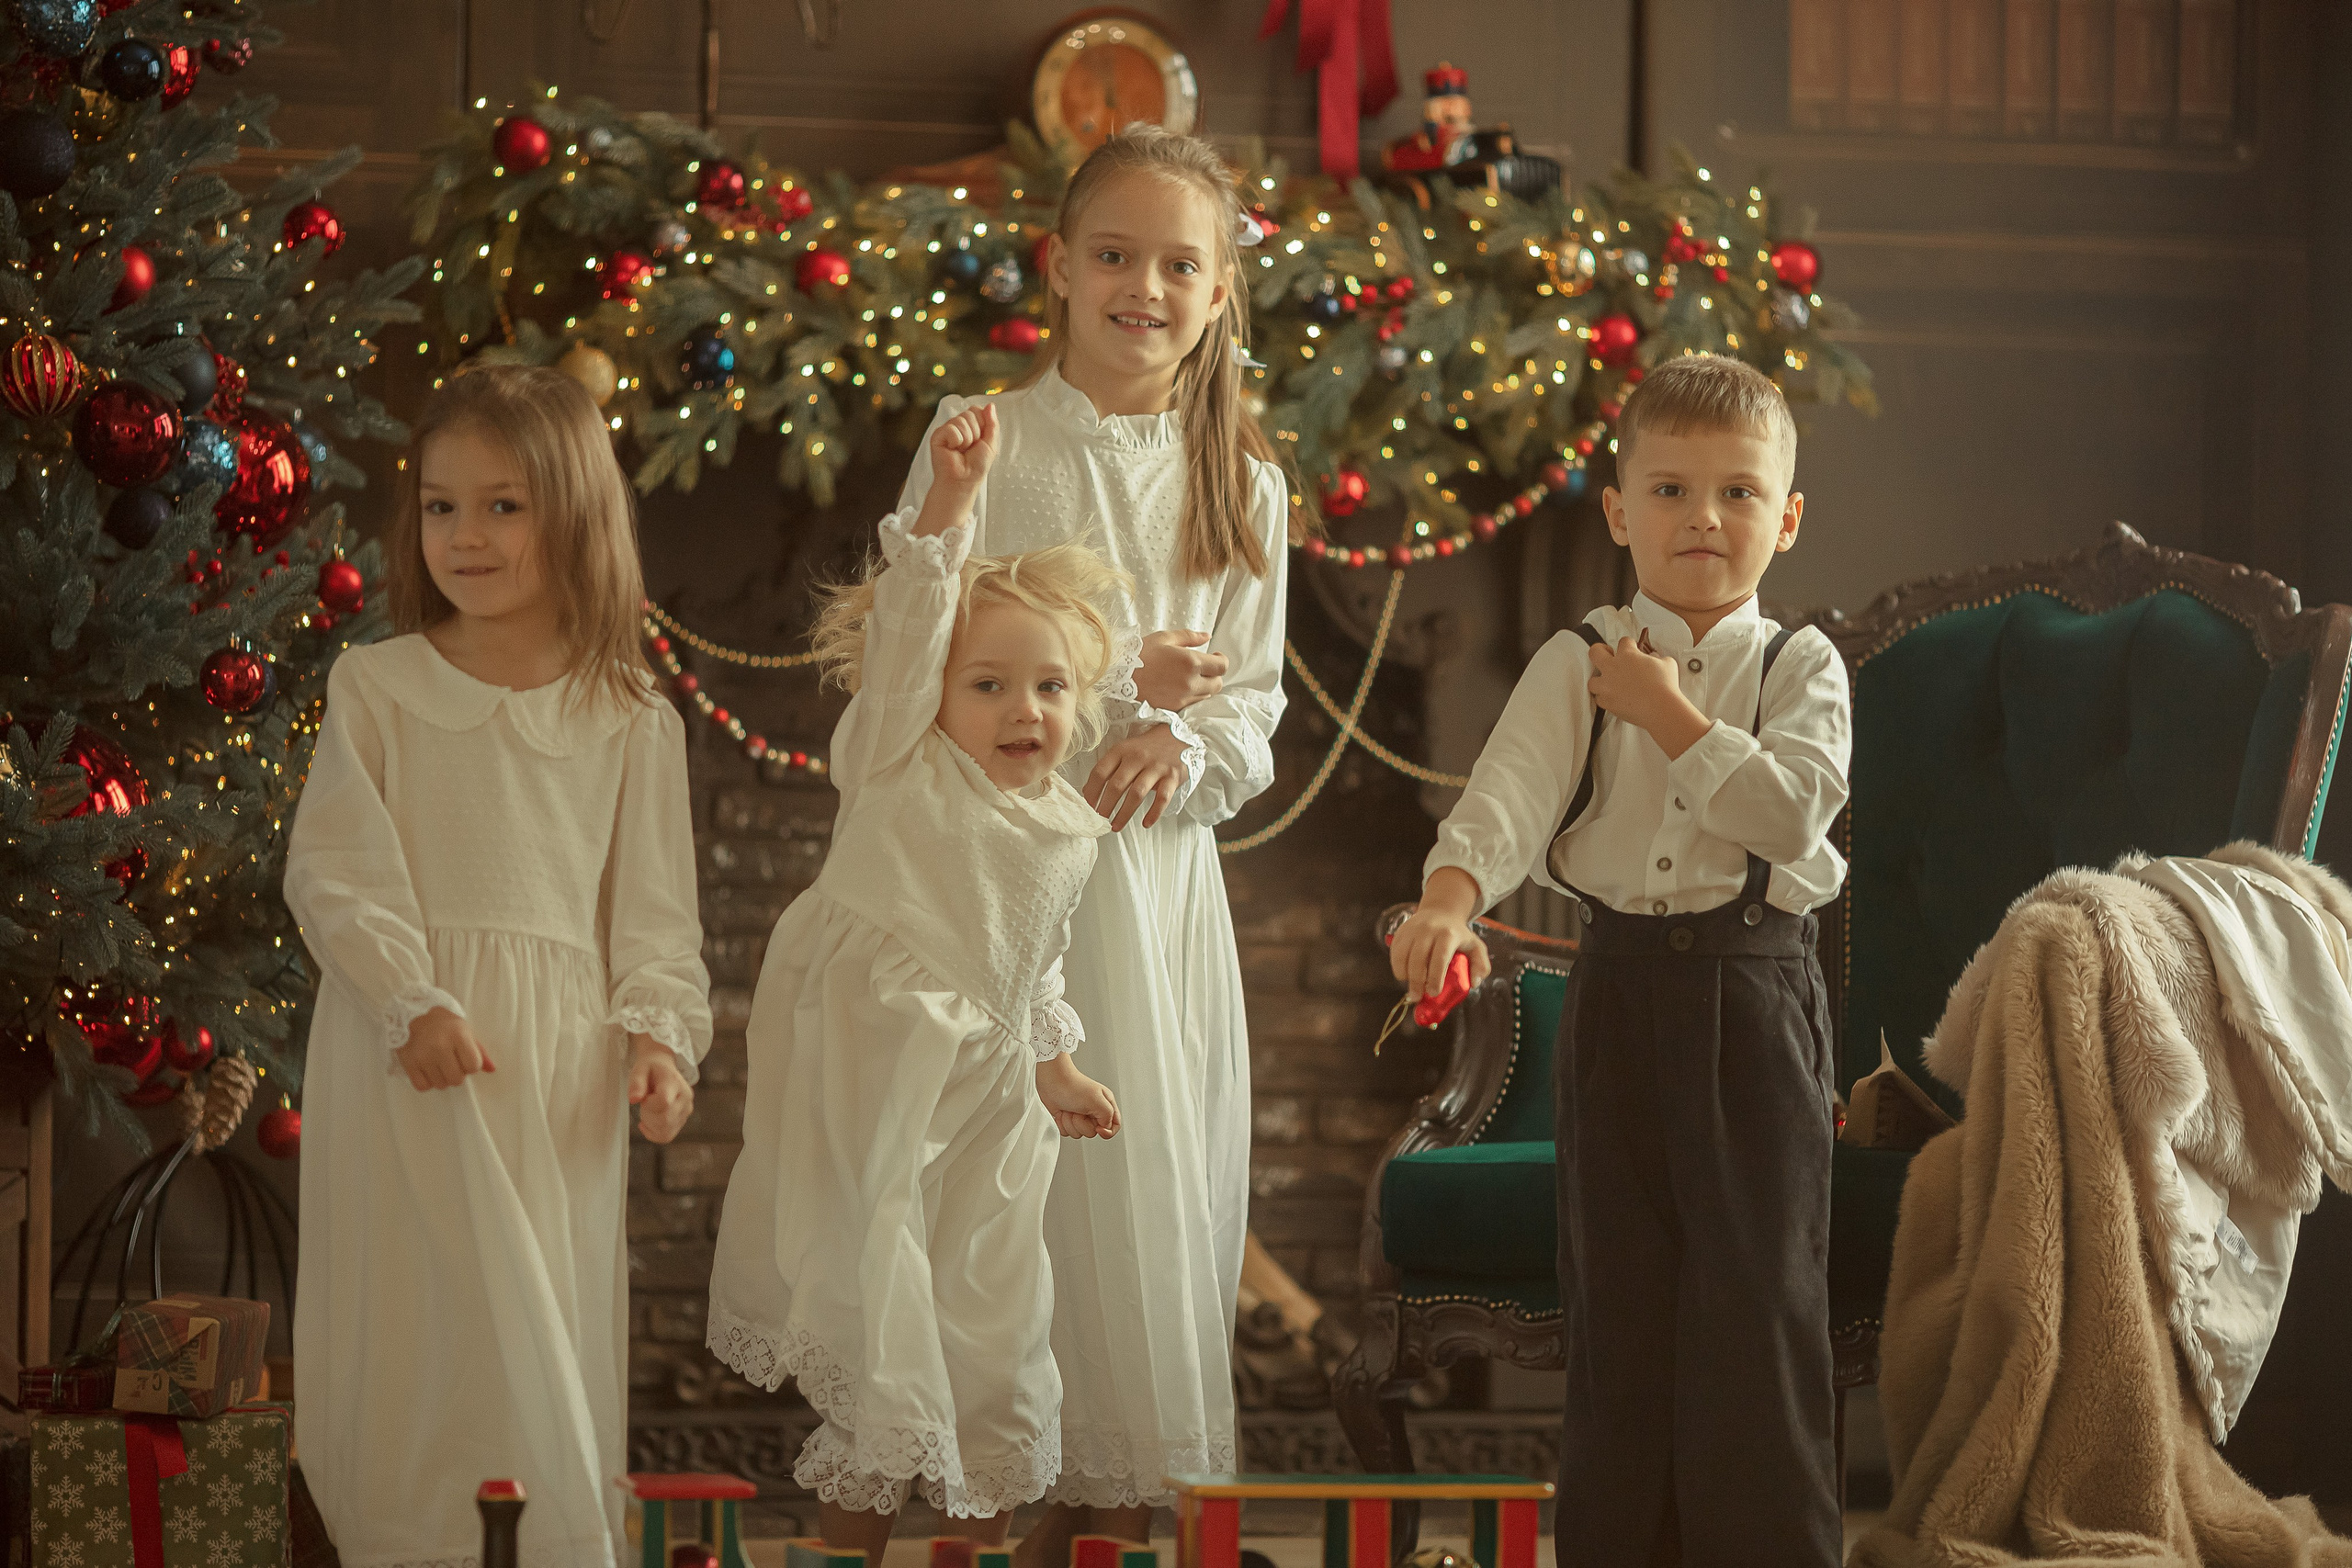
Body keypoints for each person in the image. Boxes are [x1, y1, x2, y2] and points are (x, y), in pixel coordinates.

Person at [892, 124, 1291, 1557]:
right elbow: (913, 649)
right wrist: (1086, 711)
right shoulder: (985, 437)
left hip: (1150, 890)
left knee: (1137, 1209)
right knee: (1001, 1207)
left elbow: (1252, 703)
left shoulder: (1243, 480)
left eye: (1180, 263)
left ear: (1221, 288)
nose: (1144, 286)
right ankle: (986, 1507)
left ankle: (1120, 1518)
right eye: (1114, 255)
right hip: (1007, 886)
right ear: (1058, 267)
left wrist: (1173, 739)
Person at [1389, 354, 1851, 1567]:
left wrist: (1675, 717)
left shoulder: (1802, 663)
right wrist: (1448, 902)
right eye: (1672, 489)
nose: (1705, 517)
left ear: (1788, 518)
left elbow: (1793, 816)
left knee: (1756, 1298)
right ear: (1618, 508)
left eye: (1740, 493)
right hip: (1619, 993)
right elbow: (1505, 799)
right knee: (1624, 1301)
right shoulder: (1578, 661)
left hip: (1753, 999)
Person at [285, 365, 710, 1567]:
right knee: (418, 1313)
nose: (464, 535)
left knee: (536, 1322)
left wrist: (661, 1038)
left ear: (573, 511)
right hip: (411, 1048)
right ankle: (397, 1540)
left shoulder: (632, 715)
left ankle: (549, 1542)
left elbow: (656, 919)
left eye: (503, 506)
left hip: (555, 1068)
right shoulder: (378, 686)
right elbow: (337, 866)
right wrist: (409, 996)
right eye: (439, 505)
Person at [707, 405, 1126, 1558]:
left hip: (990, 1103)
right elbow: (911, 629)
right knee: (885, 1330)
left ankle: (977, 1542)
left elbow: (1034, 958)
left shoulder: (1068, 825)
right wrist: (949, 504)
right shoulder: (895, 758)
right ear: (933, 692)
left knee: (994, 1324)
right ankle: (852, 1548)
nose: (1021, 711)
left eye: (1047, 689)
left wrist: (1057, 1065)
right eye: (986, 684)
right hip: (874, 1075)